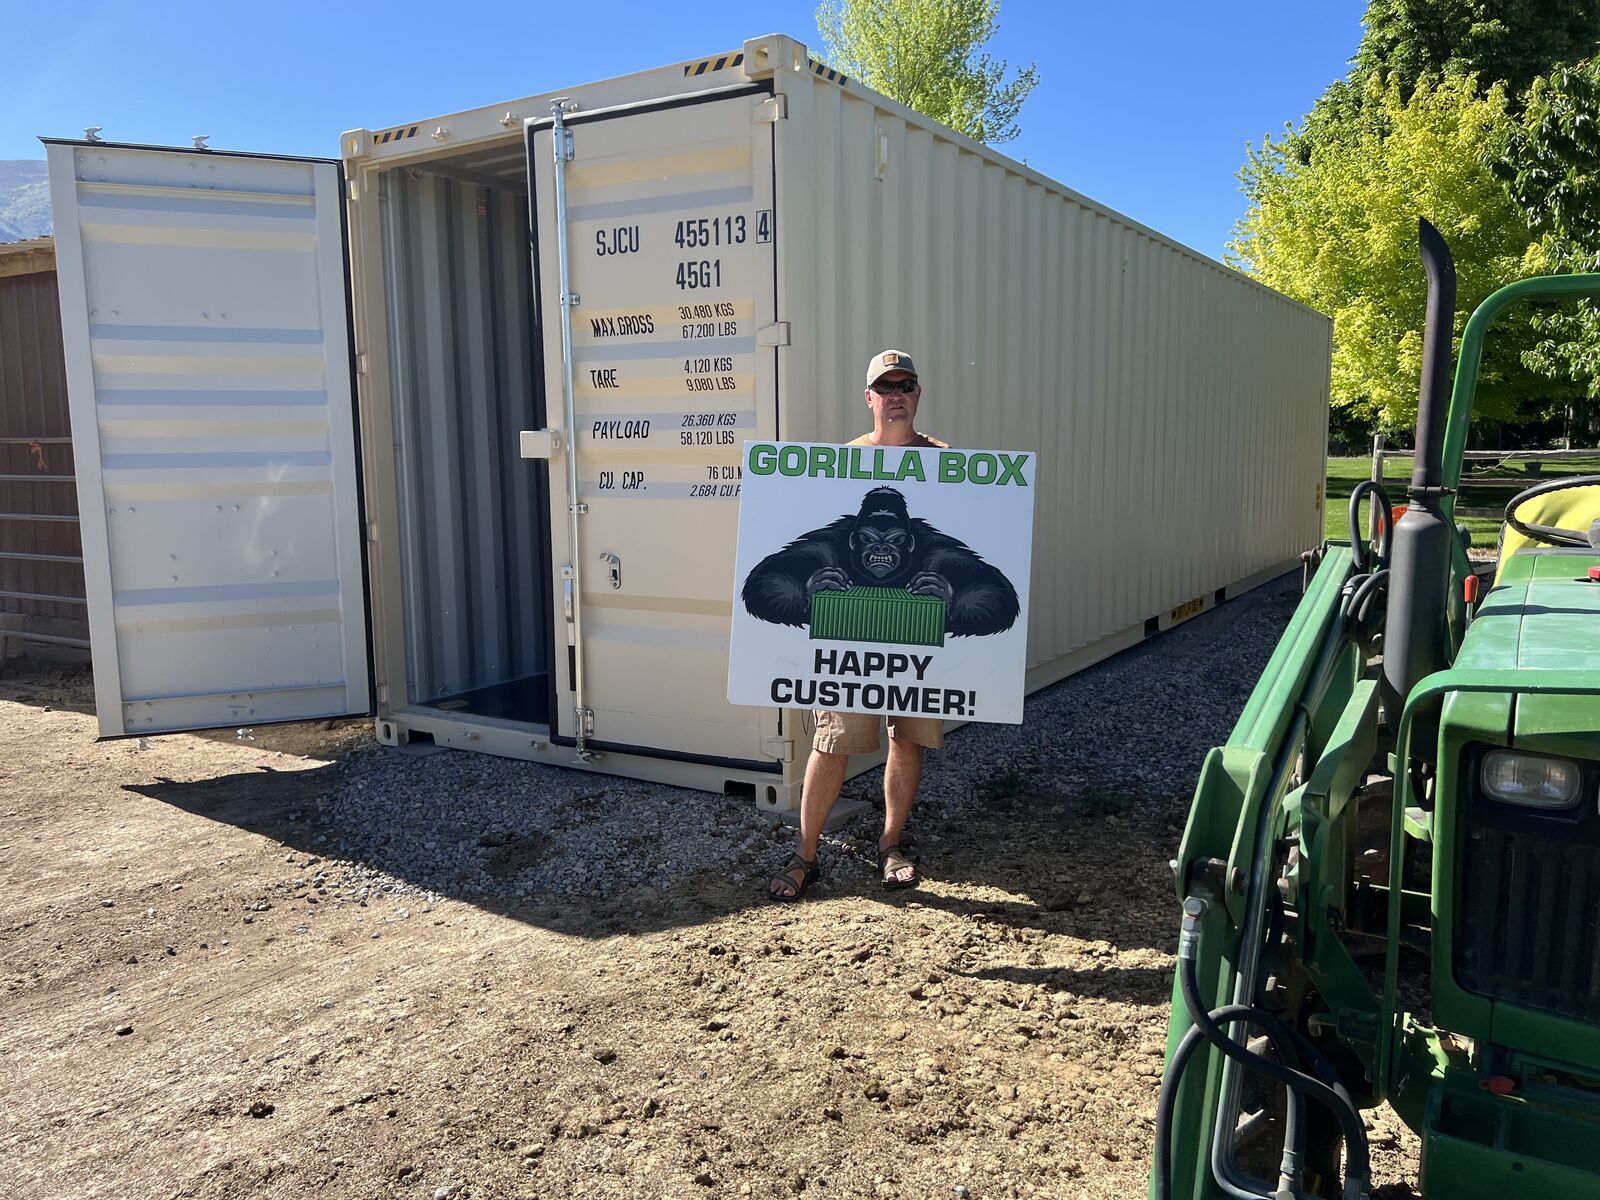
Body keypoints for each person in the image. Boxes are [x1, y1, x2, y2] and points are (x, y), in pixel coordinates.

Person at [769, 349, 950, 901]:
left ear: (918, 394)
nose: (896, 393)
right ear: (868, 397)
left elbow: (972, 554)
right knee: (833, 741)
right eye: (885, 385)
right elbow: (788, 558)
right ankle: (805, 855)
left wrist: (949, 589)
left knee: (908, 739)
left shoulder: (949, 463)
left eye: (907, 384)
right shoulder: (841, 464)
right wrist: (814, 586)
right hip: (852, 632)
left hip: (918, 630)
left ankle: (891, 844)